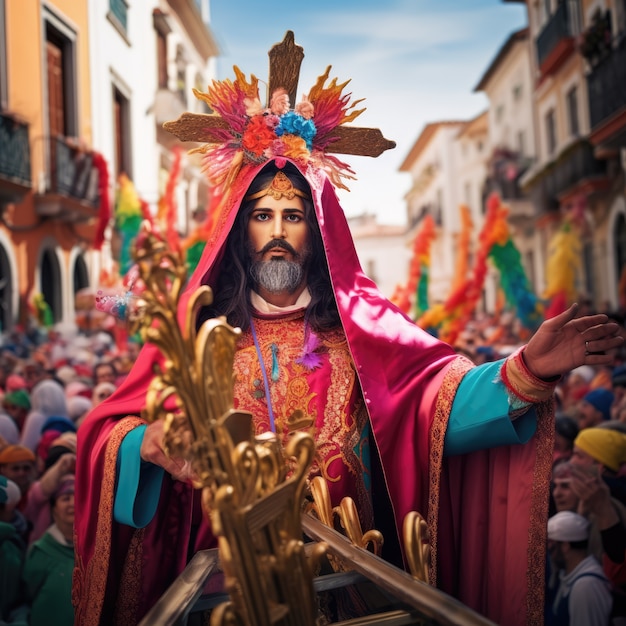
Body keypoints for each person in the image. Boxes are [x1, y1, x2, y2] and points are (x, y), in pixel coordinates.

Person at [73, 52, 624, 626]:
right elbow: (108, 429)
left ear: (319, 229)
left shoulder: (362, 334)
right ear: (240, 230)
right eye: (262, 216)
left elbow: (434, 409)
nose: (278, 234)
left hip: (356, 589)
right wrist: (146, 443)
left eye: (294, 217)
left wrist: (526, 370)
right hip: (228, 594)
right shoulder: (193, 338)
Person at [23, 475, 75, 626]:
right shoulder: (41, 550)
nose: (72, 504)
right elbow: (28, 595)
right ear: (54, 509)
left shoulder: (96, 550)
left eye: (78, 499)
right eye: (65, 498)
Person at [546, 510, 613, 625]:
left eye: (551, 544)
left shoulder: (585, 587)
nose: (548, 550)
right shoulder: (567, 577)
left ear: (565, 546)